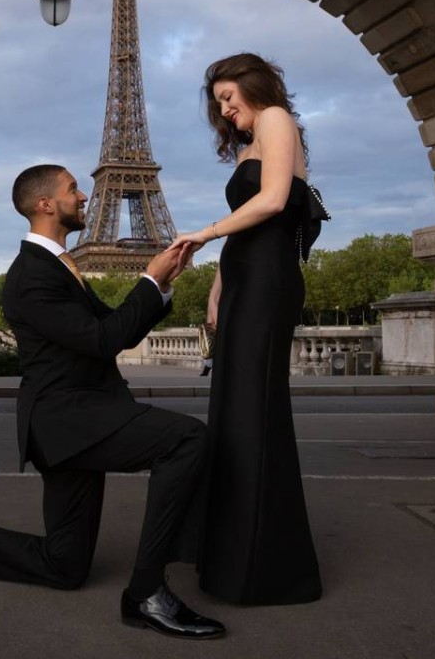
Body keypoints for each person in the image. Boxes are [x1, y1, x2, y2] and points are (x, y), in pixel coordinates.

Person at [0, 164, 225, 640]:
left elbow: (111, 327)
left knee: (65, 565)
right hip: (68, 422)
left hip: (76, 422)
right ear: (46, 204)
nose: (86, 195)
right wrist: (148, 282)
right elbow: (102, 340)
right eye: (74, 188)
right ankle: (147, 591)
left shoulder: (58, 267)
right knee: (186, 440)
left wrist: (163, 283)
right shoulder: (31, 276)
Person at [170, 53, 323, 606]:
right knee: (235, 417)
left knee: (255, 417)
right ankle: (230, 558)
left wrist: (204, 233)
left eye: (230, 96)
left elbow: (275, 200)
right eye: (218, 103)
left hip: (270, 284)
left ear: (257, 86)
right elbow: (248, 226)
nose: (225, 108)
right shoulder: (244, 145)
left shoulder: (277, 119)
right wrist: (216, 285)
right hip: (242, 283)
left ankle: (266, 569)